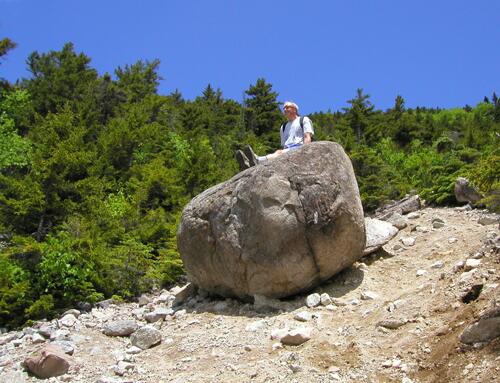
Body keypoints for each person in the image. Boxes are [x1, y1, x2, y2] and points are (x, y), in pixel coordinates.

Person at [236, 101, 314, 170]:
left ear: (294, 109)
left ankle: (257, 160)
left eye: (287, 107)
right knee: (278, 152)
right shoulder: (283, 127)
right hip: (287, 150)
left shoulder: (303, 120)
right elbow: (284, 145)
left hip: (299, 148)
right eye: (284, 108)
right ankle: (250, 163)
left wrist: (304, 152)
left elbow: (307, 137)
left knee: (278, 152)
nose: (285, 110)